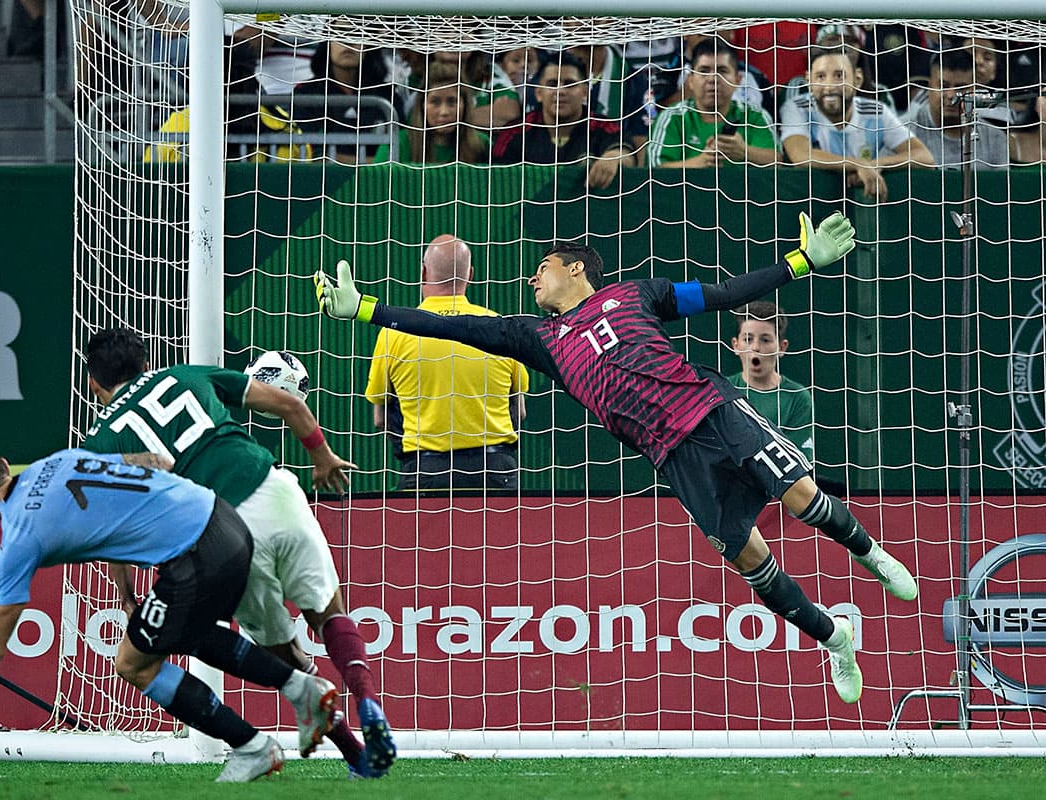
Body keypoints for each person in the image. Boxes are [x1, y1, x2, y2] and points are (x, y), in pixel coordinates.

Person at [315, 211, 920, 705]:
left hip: (713, 412)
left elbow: (723, 294)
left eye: (542, 269)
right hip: (671, 455)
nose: (533, 280)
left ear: (576, 268)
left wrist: (801, 262)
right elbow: (442, 327)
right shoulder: (538, 339)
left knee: (801, 497)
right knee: (749, 556)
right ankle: (833, 637)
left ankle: (874, 557)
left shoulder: (639, 295)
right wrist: (366, 310)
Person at [0, 435, 339, 781]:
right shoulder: (56, 462)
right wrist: (129, 593)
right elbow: (151, 462)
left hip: (196, 557)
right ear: (2, 464)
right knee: (181, 630)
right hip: (225, 520)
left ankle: (253, 747)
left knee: (133, 663)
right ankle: (302, 690)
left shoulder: (19, 540)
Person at [82, 329, 396, 778]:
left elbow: (112, 526)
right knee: (328, 613)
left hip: (223, 534)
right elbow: (291, 405)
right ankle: (368, 703)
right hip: (273, 489)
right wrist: (322, 457)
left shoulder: (101, 440)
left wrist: (127, 593)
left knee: (281, 653)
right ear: (146, 362)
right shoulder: (186, 376)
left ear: (94, 383)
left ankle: (353, 751)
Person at [365, 235, 530, 490]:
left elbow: (380, 418)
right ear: (471, 274)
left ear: (423, 272)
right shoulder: (500, 327)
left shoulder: (393, 333)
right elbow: (518, 411)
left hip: (426, 471)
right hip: (495, 471)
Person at [780, 48, 936, 202]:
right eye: (820, 77)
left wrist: (875, 165)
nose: (829, 86)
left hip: (863, 205)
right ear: (809, 81)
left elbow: (924, 157)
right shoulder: (797, 108)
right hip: (809, 201)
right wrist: (858, 165)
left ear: (858, 79)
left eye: (839, 76)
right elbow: (800, 155)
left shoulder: (875, 112)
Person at [492, 52, 635, 190]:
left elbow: (627, 153)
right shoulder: (514, 133)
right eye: (552, 84)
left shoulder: (603, 126)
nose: (560, 91)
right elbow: (497, 178)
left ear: (585, 92)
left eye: (570, 84)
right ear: (538, 93)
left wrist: (614, 157)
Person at [646, 37, 779, 168]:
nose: (713, 79)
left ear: (738, 80)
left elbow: (778, 162)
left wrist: (744, 152)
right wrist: (702, 162)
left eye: (722, 71)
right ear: (690, 80)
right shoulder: (672, 117)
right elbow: (654, 169)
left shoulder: (755, 115)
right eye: (704, 71)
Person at [728, 301, 813, 464]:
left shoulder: (797, 397)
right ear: (735, 345)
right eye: (748, 339)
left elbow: (800, 464)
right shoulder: (723, 391)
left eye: (765, 340)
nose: (755, 347)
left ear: (782, 347)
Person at [902, 50, 1014, 170]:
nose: (951, 95)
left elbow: (1001, 187)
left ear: (974, 91)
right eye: (943, 86)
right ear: (929, 87)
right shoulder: (903, 132)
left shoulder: (994, 138)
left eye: (960, 88)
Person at [372, 61, 490, 164]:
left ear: (465, 105)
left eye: (452, 102)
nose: (444, 112)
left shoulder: (483, 145)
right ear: (422, 104)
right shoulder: (397, 144)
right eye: (435, 102)